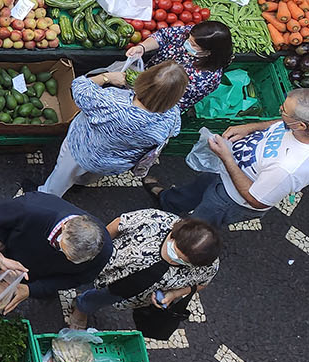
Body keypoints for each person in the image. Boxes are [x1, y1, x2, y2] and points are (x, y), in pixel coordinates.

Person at [155, 88, 309, 226]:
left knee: (195, 227)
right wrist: (249, 128)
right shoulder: (295, 125)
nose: (280, 110)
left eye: (283, 110)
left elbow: (257, 200)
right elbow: (280, 123)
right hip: (224, 171)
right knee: (195, 189)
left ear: (301, 126)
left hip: (229, 198)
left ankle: (172, 246)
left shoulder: (289, 169)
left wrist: (227, 159)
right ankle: (168, 203)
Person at [40, 61, 187, 198]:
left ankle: (46, 196)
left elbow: (79, 86)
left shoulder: (113, 103)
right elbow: (173, 131)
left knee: (63, 176)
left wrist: (106, 77)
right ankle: (81, 182)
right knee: (91, 173)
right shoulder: (172, 117)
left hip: (82, 150)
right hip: (115, 162)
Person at [68, 211, 220, 332]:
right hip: (106, 267)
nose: (173, 261)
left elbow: (201, 284)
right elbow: (118, 224)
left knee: (101, 298)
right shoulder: (155, 220)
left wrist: (173, 294)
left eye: (182, 262)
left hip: (129, 290)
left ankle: (82, 307)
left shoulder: (207, 265)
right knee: (81, 279)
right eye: (175, 253)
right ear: (174, 235)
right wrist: (96, 251)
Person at [0, 192, 112, 299]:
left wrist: (31, 289)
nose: (66, 260)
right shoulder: (29, 209)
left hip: (36, 277)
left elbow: (75, 279)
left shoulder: (104, 251)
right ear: (64, 228)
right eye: (62, 250)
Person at [125, 20, 233, 112]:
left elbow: (168, 102)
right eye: (189, 38)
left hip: (153, 104)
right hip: (144, 78)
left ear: (209, 51)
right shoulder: (195, 34)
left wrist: (132, 83)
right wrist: (142, 48)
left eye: (193, 45)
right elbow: (163, 35)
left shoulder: (205, 79)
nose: (187, 42)